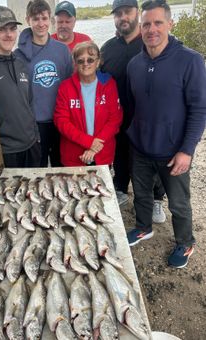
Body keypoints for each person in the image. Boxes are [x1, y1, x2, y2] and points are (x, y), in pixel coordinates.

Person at [126, 0, 206, 268]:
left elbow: (199, 109)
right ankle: (143, 227)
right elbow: (133, 104)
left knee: (179, 204)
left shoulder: (190, 60)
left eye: (158, 22)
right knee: (142, 195)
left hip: (174, 152)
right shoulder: (134, 64)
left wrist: (187, 150)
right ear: (140, 27)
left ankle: (185, 242)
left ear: (170, 24)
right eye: (146, 24)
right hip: (140, 147)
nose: (152, 29)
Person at [101, 0, 166, 225]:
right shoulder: (107, 48)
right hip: (118, 116)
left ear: (137, 13)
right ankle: (120, 188)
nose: (123, 17)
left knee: (152, 156)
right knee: (120, 154)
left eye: (127, 12)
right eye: (118, 14)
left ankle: (157, 197)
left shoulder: (152, 42)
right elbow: (98, 81)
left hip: (149, 116)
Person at [15, 0, 73, 167]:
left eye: (44, 18)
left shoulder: (62, 50)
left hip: (60, 121)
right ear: (28, 20)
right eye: (36, 19)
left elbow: (69, 87)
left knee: (60, 167)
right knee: (37, 169)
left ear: (50, 20)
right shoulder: (18, 56)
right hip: (35, 124)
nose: (41, 23)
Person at [0, 6, 41, 168]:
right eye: (2, 29)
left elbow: (29, 103)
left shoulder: (20, 63)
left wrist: (36, 137)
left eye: (12, 29)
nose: (9, 34)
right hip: (7, 153)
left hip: (31, 146)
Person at [53, 41, 122, 167]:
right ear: (75, 63)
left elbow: (115, 119)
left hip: (103, 153)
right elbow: (61, 121)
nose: (85, 64)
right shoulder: (65, 87)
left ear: (98, 62)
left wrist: (94, 148)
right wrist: (89, 142)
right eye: (80, 60)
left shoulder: (109, 84)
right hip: (74, 156)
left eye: (90, 60)